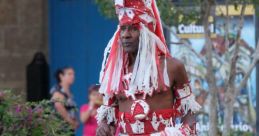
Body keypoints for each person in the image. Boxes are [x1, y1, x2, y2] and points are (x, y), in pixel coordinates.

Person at [96, 0, 201, 136]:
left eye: (134, 28)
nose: (125, 35)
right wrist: (104, 127)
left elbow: (190, 118)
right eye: (123, 28)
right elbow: (108, 117)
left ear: (148, 33)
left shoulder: (172, 67)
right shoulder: (115, 74)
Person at [50, 67, 79, 134]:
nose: (73, 76)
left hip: (68, 130)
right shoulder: (57, 91)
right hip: (60, 130)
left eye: (73, 74)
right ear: (61, 76)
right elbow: (58, 106)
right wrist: (72, 122)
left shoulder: (68, 92)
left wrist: (75, 122)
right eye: (69, 74)